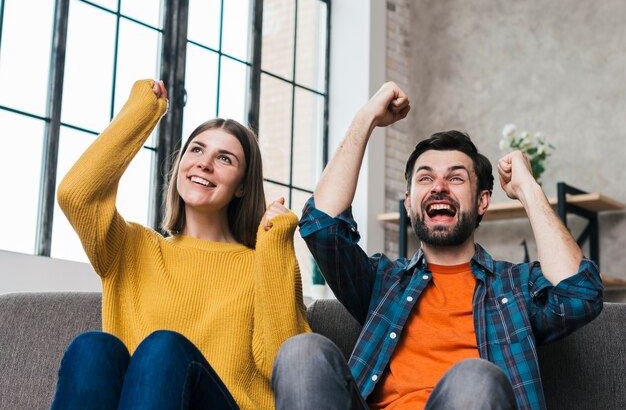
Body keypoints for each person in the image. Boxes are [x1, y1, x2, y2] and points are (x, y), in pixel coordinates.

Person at [271, 82, 603, 410]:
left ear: (482, 201)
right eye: (425, 178)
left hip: (471, 398)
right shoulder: (383, 282)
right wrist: (367, 117)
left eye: (456, 178)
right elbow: (322, 228)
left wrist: (527, 187)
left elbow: (580, 295)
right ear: (408, 202)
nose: (439, 187)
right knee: (302, 353)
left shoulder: (515, 286)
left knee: (473, 379)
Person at [51, 79, 310, 410]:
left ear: (242, 187)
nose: (204, 163)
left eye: (225, 159)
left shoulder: (259, 265)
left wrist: (274, 250)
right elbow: (76, 195)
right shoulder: (132, 249)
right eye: (197, 150)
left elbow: (286, 365)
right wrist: (143, 111)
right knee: (92, 348)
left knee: (163, 347)